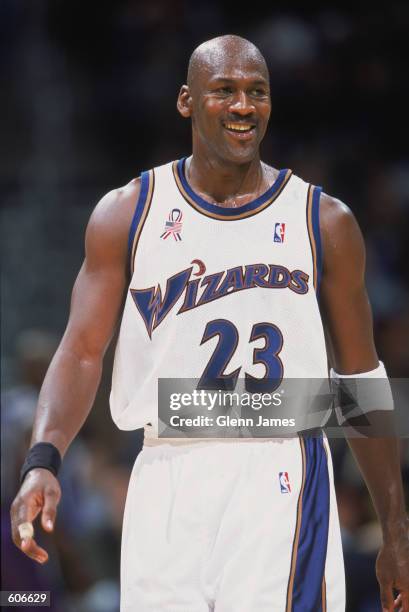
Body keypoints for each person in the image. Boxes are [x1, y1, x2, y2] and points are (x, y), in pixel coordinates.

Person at [10, 35, 409, 612]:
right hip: (164, 471)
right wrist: (43, 458)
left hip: (281, 468)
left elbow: (360, 378)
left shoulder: (324, 221)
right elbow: (80, 351)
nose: (244, 105)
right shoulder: (128, 212)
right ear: (186, 101)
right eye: (224, 90)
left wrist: (395, 528)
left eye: (257, 92)